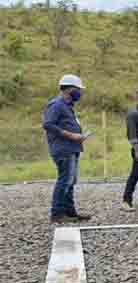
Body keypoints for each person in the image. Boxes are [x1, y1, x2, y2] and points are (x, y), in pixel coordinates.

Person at [42, 74, 92, 223]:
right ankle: (57, 213)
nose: (80, 93)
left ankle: (70, 212)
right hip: (64, 148)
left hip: (72, 147)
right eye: (78, 89)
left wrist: (79, 137)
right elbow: (48, 124)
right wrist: (71, 135)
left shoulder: (67, 106)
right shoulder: (56, 104)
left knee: (70, 181)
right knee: (65, 180)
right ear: (69, 89)